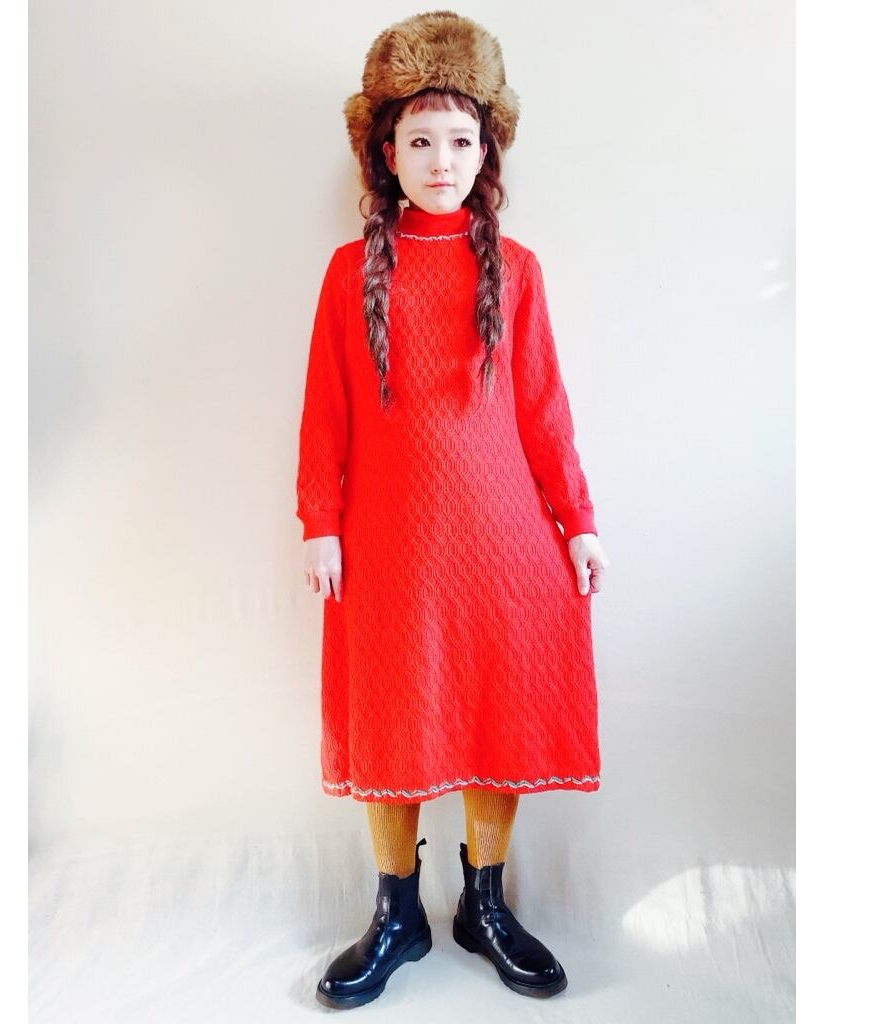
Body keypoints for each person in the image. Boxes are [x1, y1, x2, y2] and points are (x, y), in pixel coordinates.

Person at [295, 11, 610, 1010]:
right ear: (386, 153)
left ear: (487, 152)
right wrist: (320, 520)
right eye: (420, 139)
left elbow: (543, 409)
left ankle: (484, 902)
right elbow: (325, 409)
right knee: (393, 712)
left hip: (504, 543)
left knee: (494, 706)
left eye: (461, 139)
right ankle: (397, 912)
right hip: (389, 544)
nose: (441, 160)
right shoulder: (350, 272)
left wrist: (577, 520)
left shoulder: (517, 272)